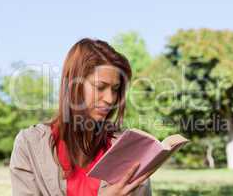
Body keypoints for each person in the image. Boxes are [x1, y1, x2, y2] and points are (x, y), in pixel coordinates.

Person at [9, 38, 153, 196]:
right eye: (100, 87)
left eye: (115, 89)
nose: (110, 99)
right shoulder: (30, 144)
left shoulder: (128, 149)